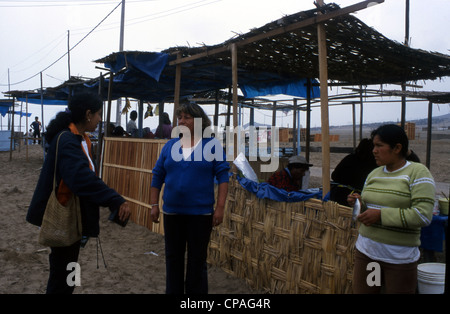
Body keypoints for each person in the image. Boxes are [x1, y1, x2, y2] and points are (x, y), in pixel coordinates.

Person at [26, 92, 131, 294]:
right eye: (99, 114)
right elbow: (81, 179)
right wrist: (113, 199)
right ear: (88, 114)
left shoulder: (81, 139)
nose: (101, 119)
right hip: (65, 217)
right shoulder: (67, 140)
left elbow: (87, 175)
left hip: (75, 218)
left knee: (68, 274)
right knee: (61, 278)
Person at [150, 102, 230, 294]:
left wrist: (219, 208)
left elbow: (223, 176)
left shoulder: (211, 145)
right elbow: (157, 175)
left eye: (187, 117)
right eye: (180, 117)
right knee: (173, 259)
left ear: (199, 121)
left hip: (200, 214)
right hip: (172, 213)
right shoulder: (170, 146)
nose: (182, 121)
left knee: (197, 261)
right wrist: (154, 204)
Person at [347, 124, 435, 294]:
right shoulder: (374, 174)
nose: (374, 150)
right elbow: (370, 208)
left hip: (398, 258)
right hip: (367, 253)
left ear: (397, 148)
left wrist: (381, 215)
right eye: (374, 145)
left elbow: (423, 215)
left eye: (379, 146)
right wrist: (359, 203)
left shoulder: (418, 173)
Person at [330, 138, 377, 206]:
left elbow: (334, 176)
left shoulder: (350, 158)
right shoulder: (374, 164)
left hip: (340, 195)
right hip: (358, 198)